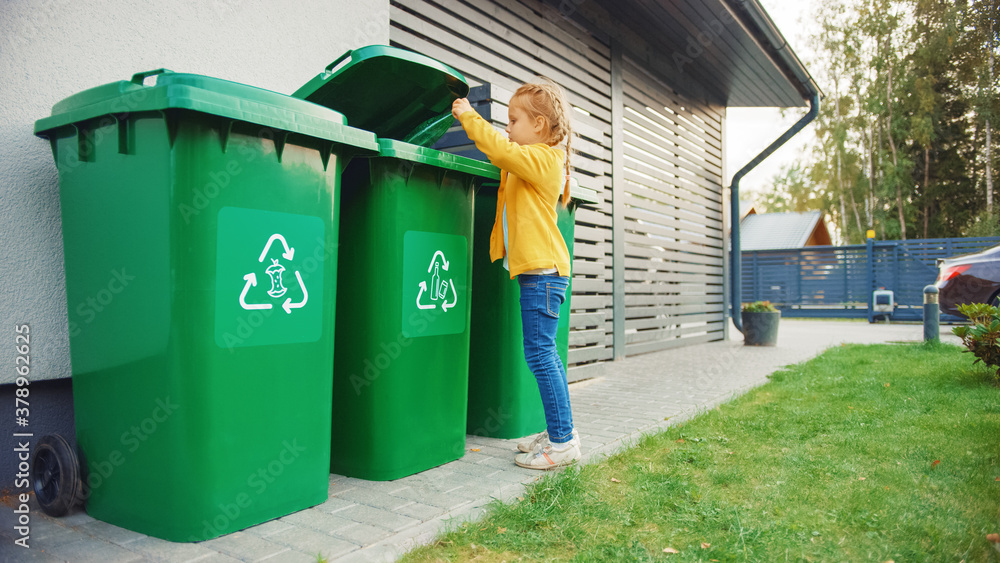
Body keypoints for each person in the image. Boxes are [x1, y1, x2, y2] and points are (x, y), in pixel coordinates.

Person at [452, 79, 581, 470]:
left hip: (544, 274)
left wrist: (468, 116)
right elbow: (503, 156)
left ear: (540, 125)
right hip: (540, 274)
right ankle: (560, 431)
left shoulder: (545, 160)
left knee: (541, 356)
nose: (508, 127)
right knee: (544, 356)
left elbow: (500, 150)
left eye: (514, 119)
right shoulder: (534, 158)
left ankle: (562, 444)